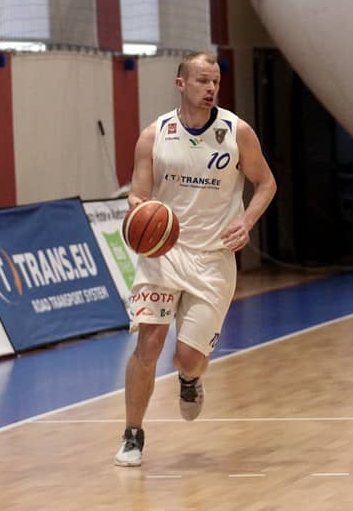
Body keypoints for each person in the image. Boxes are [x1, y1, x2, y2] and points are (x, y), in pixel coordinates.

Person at [114, 51, 277, 466]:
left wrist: (247, 221)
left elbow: (266, 183)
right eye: (202, 81)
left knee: (187, 358)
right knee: (149, 343)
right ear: (181, 84)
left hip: (213, 258)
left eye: (215, 82)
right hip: (163, 255)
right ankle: (132, 435)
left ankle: (189, 378)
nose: (211, 88)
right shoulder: (154, 135)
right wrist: (137, 208)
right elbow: (139, 194)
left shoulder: (237, 132)